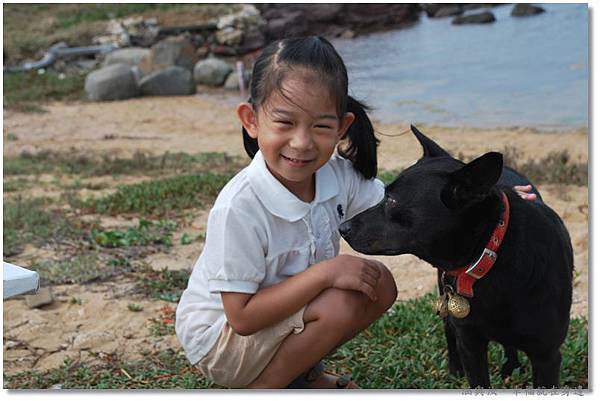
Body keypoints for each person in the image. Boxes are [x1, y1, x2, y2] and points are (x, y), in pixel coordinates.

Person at [175, 35, 537, 390]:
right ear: (251, 120)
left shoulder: (334, 174)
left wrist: (494, 193)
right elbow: (242, 317)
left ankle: (300, 376)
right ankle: (268, 386)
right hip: (220, 343)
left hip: (272, 326)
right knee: (338, 301)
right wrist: (325, 273)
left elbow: (407, 206)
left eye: (320, 126)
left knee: (378, 285)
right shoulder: (239, 206)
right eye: (284, 123)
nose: (301, 143)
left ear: (342, 126)